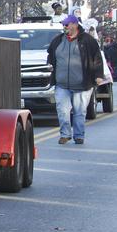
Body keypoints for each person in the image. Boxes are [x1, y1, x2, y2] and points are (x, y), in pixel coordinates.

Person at [47, 14, 105, 145]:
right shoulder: (58, 40)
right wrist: (50, 67)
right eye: (64, 25)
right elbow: (50, 55)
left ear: (74, 24)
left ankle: (79, 136)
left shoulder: (88, 40)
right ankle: (65, 134)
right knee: (62, 110)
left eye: (67, 24)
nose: (65, 27)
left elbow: (97, 58)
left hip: (81, 84)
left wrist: (98, 75)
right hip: (62, 84)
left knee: (79, 112)